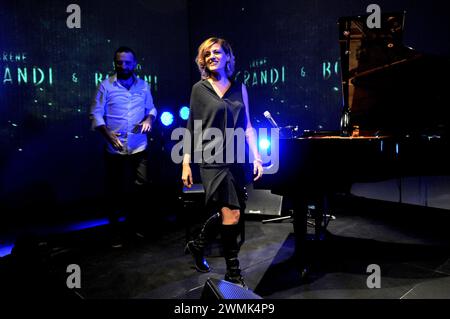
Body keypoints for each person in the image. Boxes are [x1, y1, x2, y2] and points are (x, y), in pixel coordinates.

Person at [182, 37, 263, 287]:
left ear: (228, 56)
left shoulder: (240, 88)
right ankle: (233, 273)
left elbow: (247, 126)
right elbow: (192, 127)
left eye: (217, 52)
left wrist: (257, 155)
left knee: (231, 213)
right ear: (203, 61)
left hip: (238, 157)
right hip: (212, 157)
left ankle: (198, 245)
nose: (212, 57)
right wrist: (186, 163)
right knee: (232, 213)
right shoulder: (199, 89)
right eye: (207, 54)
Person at [90, 46, 157, 248]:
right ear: (115, 63)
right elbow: (95, 113)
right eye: (120, 62)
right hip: (115, 148)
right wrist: (107, 134)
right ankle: (115, 232)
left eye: (128, 62)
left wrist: (149, 119)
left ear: (135, 64)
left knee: (141, 188)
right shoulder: (105, 86)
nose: (123, 65)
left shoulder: (143, 86)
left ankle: (137, 227)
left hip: (138, 146)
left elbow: (152, 109)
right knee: (115, 191)